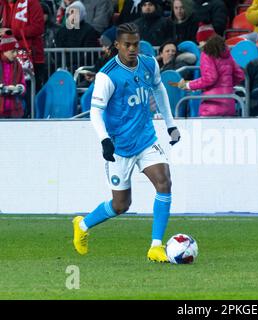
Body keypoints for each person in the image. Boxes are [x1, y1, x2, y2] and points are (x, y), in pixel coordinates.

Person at [72, 23, 181, 263]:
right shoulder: (107, 75)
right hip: (120, 147)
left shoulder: (149, 63)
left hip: (145, 138)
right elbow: (95, 111)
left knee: (164, 182)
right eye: (127, 45)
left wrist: (170, 124)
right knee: (121, 205)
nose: (132, 49)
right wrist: (105, 140)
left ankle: (155, 246)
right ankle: (83, 224)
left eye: (136, 44)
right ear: (117, 46)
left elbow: (159, 89)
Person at [177, 35, 245, 117]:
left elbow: (210, 78)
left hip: (212, 105)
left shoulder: (206, 54)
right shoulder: (228, 55)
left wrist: (188, 85)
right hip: (229, 103)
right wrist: (227, 85)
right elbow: (240, 75)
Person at [0, 34, 26, 118]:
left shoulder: (17, 65)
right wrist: (2, 89)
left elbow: (23, 83)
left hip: (14, 110)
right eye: (13, 51)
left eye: (16, 51)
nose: (15, 54)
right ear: (4, 50)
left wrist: (19, 88)